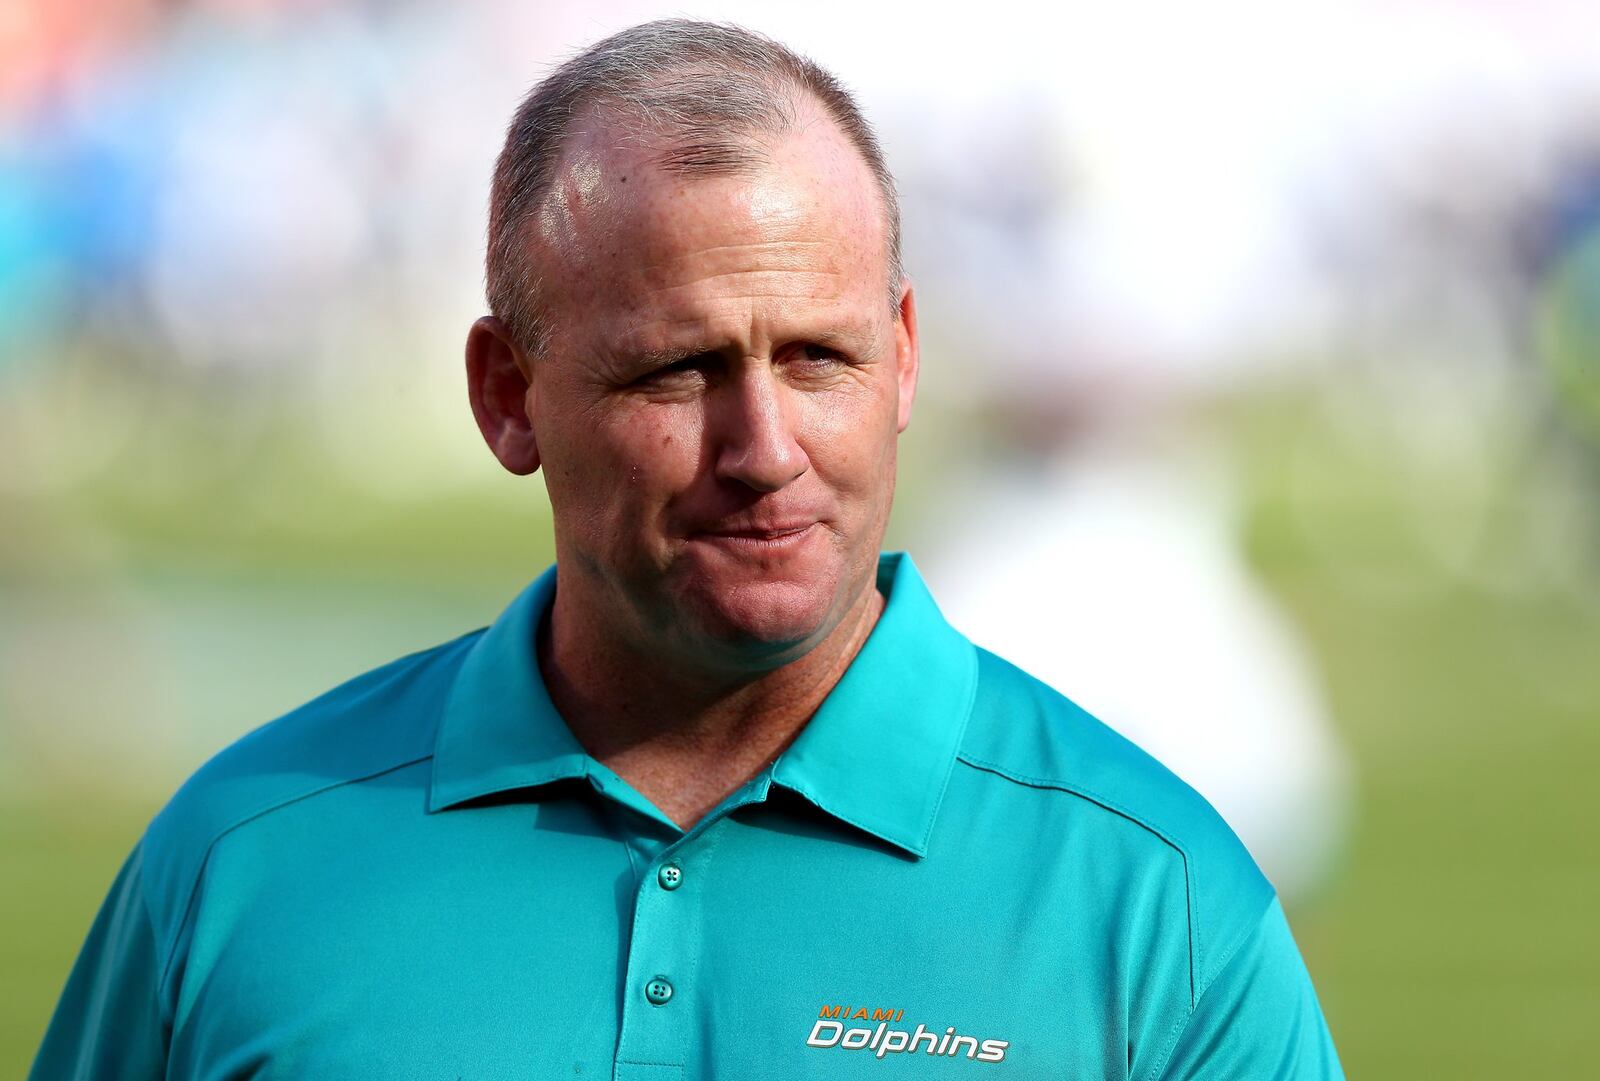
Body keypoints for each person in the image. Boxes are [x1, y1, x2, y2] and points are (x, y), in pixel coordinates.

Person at [31, 19, 1343, 1079]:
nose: (764, 443)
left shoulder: (1155, 904)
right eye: (679, 370)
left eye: (818, 358)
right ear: (508, 395)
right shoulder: (243, 858)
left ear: (905, 360)